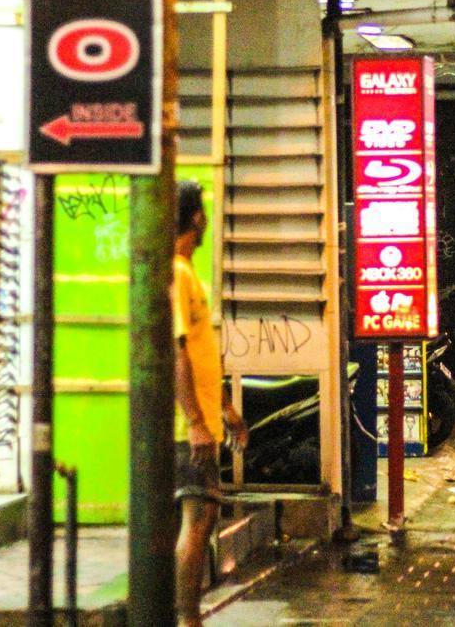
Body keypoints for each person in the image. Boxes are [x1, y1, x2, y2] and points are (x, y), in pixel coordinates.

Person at [174, 181, 247, 627]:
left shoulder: (186, 273)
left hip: (204, 421)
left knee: (200, 519)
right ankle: (188, 619)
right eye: (201, 210)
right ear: (194, 217)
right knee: (197, 521)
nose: (205, 218)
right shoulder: (177, 274)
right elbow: (177, 350)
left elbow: (200, 355)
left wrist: (227, 411)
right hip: (191, 429)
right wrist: (196, 421)